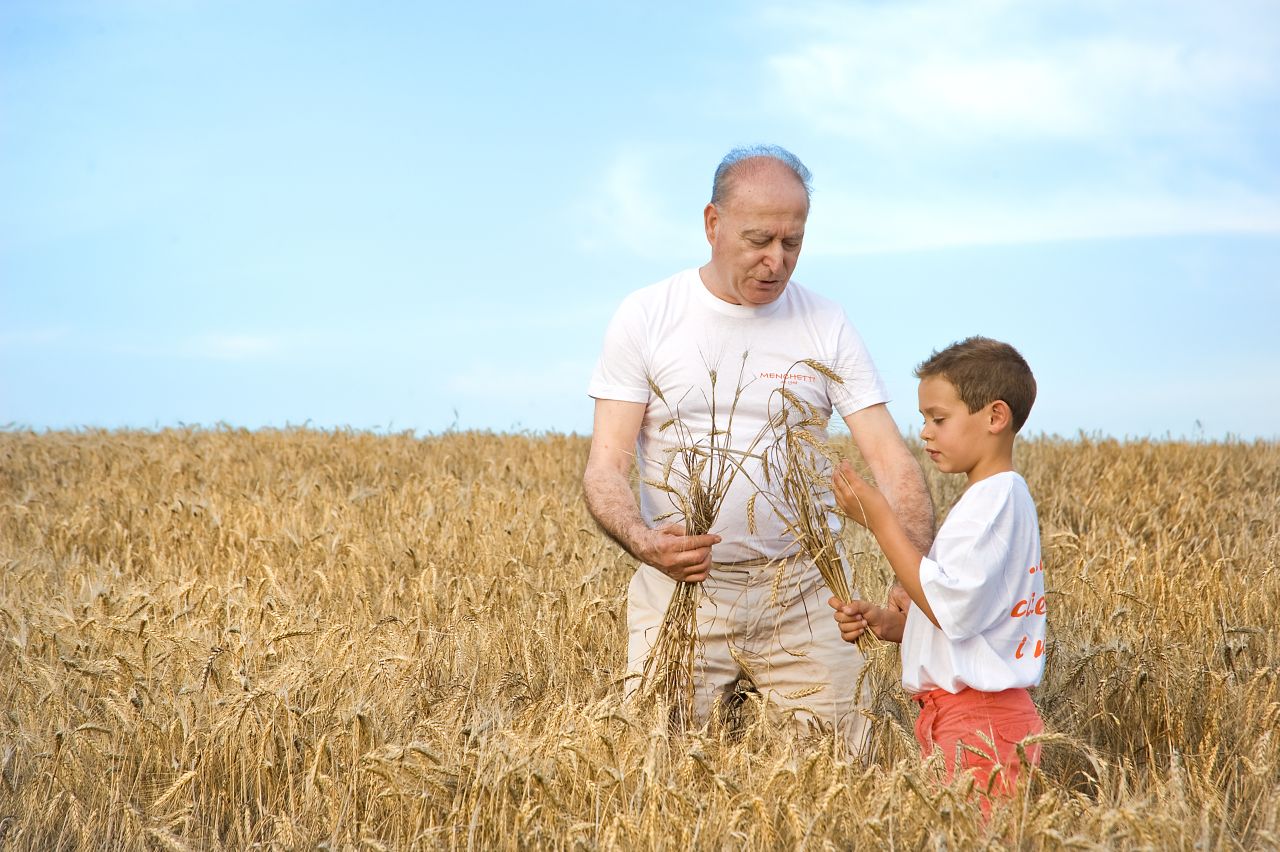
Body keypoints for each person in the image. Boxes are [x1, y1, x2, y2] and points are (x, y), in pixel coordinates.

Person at [583, 145, 934, 750]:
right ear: (712, 224)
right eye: (759, 240)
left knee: (844, 768)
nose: (777, 261)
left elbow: (891, 461)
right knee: (651, 766)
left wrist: (917, 571)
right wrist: (646, 543)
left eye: (793, 243)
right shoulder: (646, 315)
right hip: (682, 592)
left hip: (806, 589)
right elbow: (607, 466)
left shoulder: (827, 322)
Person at [829, 336, 1045, 801]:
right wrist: (896, 627)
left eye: (938, 419)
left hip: (982, 722)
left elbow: (950, 606)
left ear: (994, 417)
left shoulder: (994, 502)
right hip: (964, 716)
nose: (924, 431)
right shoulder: (990, 499)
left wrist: (880, 519)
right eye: (925, 418)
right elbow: (969, 617)